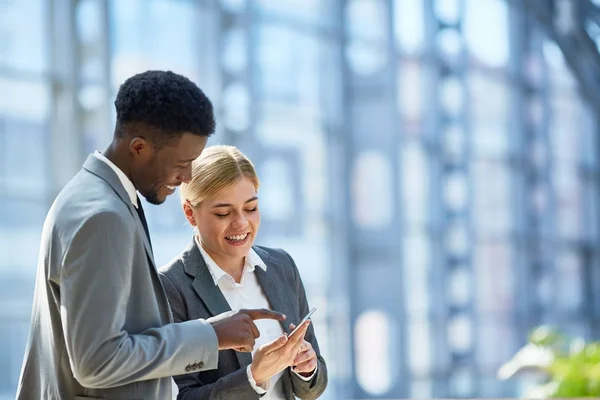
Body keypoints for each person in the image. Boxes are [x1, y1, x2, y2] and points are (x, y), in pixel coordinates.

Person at [16, 71, 284, 400]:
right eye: (182, 164)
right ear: (139, 148)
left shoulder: (96, 197)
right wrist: (209, 336)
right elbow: (96, 361)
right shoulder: (103, 217)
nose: (186, 177)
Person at [159, 145, 328, 400]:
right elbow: (182, 396)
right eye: (223, 213)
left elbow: (314, 386)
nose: (241, 223)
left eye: (250, 208)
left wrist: (307, 368)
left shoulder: (282, 266)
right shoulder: (170, 286)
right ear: (190, 213)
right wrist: (254, 377)